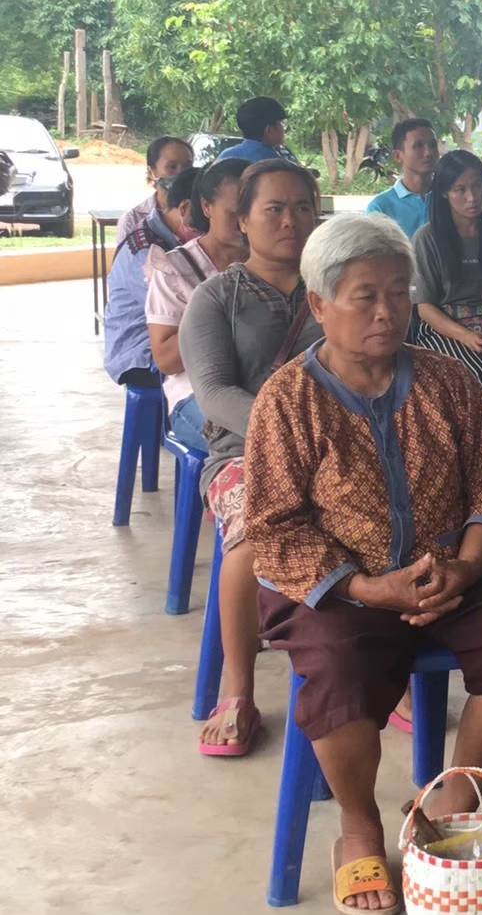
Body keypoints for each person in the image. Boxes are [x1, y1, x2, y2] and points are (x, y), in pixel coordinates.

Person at [246, 213, 482, 915]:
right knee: (337, 672)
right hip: (341, 590)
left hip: (454, 574)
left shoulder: (450, 381)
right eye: (365, 296)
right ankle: (360, 826)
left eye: (397, 292)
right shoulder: (287, 401)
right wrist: (366, 586)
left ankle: (447, 803)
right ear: (320, 303)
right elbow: (273, 526)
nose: (387, 312)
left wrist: (467, 568)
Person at [178, 159, 323, 756]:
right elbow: (213, 393)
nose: (291, 220)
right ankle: (238, 689)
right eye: (274, 209)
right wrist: (290, 434)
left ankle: (384, 668)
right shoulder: (217, 298)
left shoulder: (339, 288)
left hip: (340, 446)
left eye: (303, 208)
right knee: (250, 533)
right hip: (244, 452)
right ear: (242, 220)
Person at [411, 150, 482, 413]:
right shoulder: (426, 239)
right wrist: (466, 337)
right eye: (460, 189)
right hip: (444, 329)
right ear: (444, 193)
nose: (472, 197)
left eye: (478, 186)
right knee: (479, 373)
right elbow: (425, 308)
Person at [145, 158, 248, 450]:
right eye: (234, 213)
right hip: (195, 394)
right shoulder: (176, 269)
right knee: (255, 444)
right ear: (206, 207)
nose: (244, 223)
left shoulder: (273, 264)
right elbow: (165, 359)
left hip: (258, 386)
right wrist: (221, 320)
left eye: (252, 211)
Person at [104, 167, 198, 388]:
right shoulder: (147, 252)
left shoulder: (173, 237)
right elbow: (186, 313)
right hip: (141, 357)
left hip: (169, 344)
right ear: (185, 209)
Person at [365, 118, 440, 239]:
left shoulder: (450, 198)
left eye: (432, 145)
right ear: (397, 156)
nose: (428, 153)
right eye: (418, 146)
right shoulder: (380, 208)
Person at [116, 136, 196, 244]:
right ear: (151, 172)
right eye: (172, 167)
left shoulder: (204, 213)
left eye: (187, 167)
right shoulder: (133, 220)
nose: (181, 173)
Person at [217, 96, 299, 165]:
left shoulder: (226, 155)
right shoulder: (276, 164)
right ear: (269, 129)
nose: (284, 128)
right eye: (281, 123)